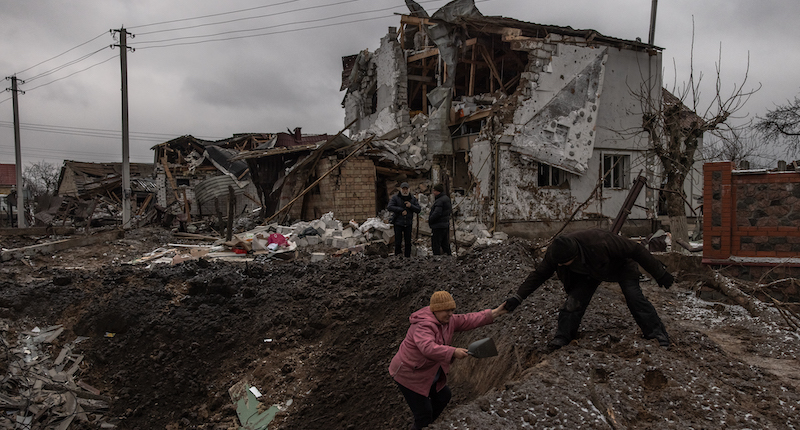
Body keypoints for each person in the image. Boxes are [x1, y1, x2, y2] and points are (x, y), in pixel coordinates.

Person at [503, 228, 675, 349]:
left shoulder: (600, 241)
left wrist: (659, 273)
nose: (560, 266)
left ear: (574, 255)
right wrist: (517, 297)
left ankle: (657, 335)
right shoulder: (556, 254)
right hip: (588, 274)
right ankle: (563, 336)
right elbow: (539, 275)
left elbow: (636, 250)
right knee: (573, 302)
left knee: (634, 298)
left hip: (621, 267)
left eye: (564, 263)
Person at [390, 291, 507, 429]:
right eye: (447, 310)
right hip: (409, 374)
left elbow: (468, 319)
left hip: (427, 372)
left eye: (452, 310)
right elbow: (427, 348)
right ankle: (423, 424)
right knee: (423, 414)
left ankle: (426, 426)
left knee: (443, 396)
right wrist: (453, 351)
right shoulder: (423, 326)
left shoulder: (447, 321)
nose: (450, 314)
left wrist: (494, 313)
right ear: (436, 310)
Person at [388, 182, 421, 257]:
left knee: (408, 242)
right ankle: (398, 256)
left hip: (408, 223)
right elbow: (389, 207)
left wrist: (411, 206)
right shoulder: (395, 198)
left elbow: (418, 209)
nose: (405, 191)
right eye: (403, 189)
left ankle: (407, 257)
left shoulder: (412, 198)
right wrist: (400, 210)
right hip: (398, 223)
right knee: (398, 242)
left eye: (406, 189)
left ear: (409, 189)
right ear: (400, 189)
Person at [428, 183, 452, 256]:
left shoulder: (440, 201)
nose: (433, 192)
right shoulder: (446, 199)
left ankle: (436, 260)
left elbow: (437, 213)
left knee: (436, 245)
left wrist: (430, 220)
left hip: (438, 226)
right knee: (445, 244)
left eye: (434, 191)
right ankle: (450, 258)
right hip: (444, 225)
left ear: (438, 191)